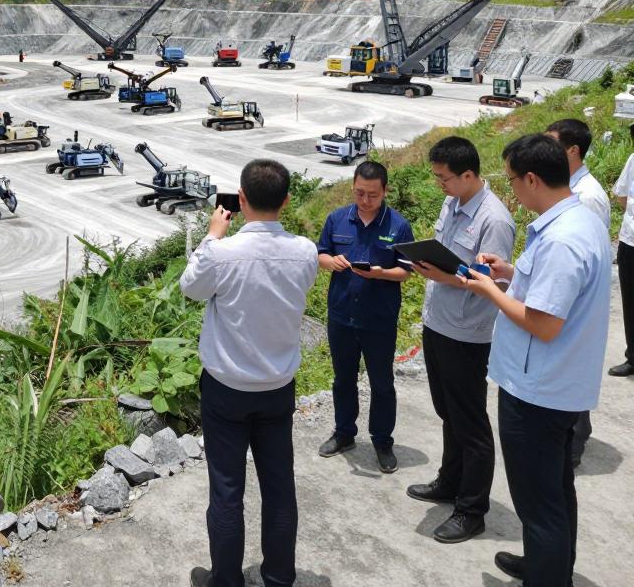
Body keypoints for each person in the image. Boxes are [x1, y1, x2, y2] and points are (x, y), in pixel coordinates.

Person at [460, 134, 611, 587]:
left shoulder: (562, 239)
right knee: (556, 490)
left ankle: (547, 575)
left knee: (538, 501)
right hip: (559, 384)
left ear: (531, 178)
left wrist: (487, 289)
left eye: (512, 182)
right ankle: (549, 565)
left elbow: (544, 324)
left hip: (539, 390)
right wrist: (508, 274)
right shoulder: (579, 221)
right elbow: (551, 294)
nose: (512, 192)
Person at [180, 159, 318, 587]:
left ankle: (226, 580)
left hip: (226, 389)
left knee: (226, 492)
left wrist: (211, 235)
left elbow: (191, 288)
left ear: (240, 200)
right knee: (279, 488)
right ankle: (278, 577)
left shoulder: (221, 255)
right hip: (277, 387)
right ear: (287, 200)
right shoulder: (305, 252)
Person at [409, 137, 515, 543]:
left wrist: (446, 278)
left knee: (470, 422)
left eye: (444, 178)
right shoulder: (452, 203)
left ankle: (472, 510)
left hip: (468, 333)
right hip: (438, 322)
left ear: (469, 175)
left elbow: (493, 280)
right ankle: (449, 481)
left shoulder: (495, 220)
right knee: (447, 411)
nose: (440, 185)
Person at [316, 160, 413, 473]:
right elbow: (321, 254)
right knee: (343, 379)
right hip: (342, 314)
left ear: (384, 191)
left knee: (381, 382)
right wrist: (331, 262)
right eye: (359, 193)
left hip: (379, 318)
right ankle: (344, 433)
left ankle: (382, 440)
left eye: (372, 194)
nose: (365, 200)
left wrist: (382, 273)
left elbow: (407, 271)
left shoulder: (398, 226)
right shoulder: (337, 219)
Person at [545, 118, 612, 466]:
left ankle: (574, 444)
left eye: (551, 145)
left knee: (570, 381)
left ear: (572, 150)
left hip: (571, 307)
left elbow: (585, 259)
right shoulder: (569, 189)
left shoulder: (587, 198)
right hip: (563, 305)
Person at [609, 147, 634, 377]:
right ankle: (633, 357)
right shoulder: (633, 159)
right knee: (630, 302)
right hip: (630, 241)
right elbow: (621, 195)